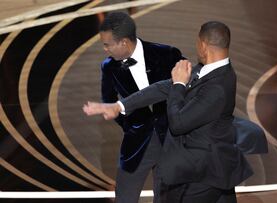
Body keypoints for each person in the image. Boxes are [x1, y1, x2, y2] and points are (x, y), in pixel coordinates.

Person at [84, 21, 253, 202]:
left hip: (206, 174)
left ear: (203, 45)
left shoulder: (218, 87)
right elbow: (163, 88)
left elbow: (178, 123)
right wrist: (120, 106)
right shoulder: (206, 69)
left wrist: (179, 84)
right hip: (211, 169)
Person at [97, 12, 183, 203]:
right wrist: (130, 124)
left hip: (171, 139)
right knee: (125, 198)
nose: (105, 49)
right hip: (136, 143)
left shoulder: (167, 54)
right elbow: (109, 100)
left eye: (107, 44)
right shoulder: (108, 67)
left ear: (124, 42)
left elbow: (186, 89)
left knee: (168, 198)